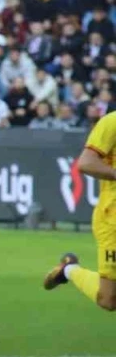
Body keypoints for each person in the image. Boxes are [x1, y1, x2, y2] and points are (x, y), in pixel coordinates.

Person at [44, 110, 116, 313]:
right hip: (113, 219)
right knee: (109, 300)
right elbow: (86, 163)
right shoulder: (112, 122)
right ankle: (69, 270)